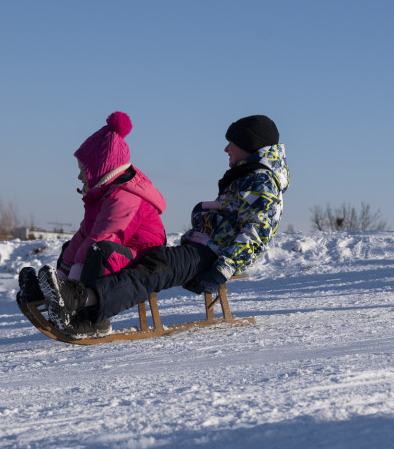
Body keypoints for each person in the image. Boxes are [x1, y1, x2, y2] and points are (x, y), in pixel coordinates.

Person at [23, 114, 289, 339]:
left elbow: (256, 234)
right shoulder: (249, 178)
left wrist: (222, 270)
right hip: (203, 247)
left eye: (232, 142)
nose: (226, 149)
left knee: (155, 270)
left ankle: (83, 300)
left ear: (250, 145)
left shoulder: (262, 183)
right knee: (152, 264)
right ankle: (71, 295)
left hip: (213, 254)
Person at [18, 111, 167, 335]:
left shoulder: (126, 196)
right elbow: (84, 235)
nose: (80, 177)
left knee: (99, 251)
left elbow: (106, 236)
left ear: (101, 169)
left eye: (83, 171)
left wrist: (74, 281)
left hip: (143, 257)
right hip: (121, 250)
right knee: (73, 246)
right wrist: (63, 274)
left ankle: (92, 317)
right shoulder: (103, 195)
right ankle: (52, 292)